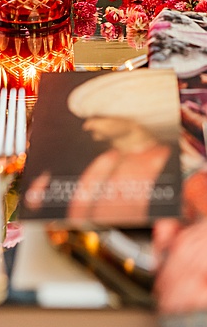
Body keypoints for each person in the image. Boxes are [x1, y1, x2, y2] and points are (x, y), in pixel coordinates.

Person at [60, 71, 180, 225]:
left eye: (98, 117)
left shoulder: (170, 159)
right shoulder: (100, 160)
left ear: (132, 115)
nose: (87, 126)